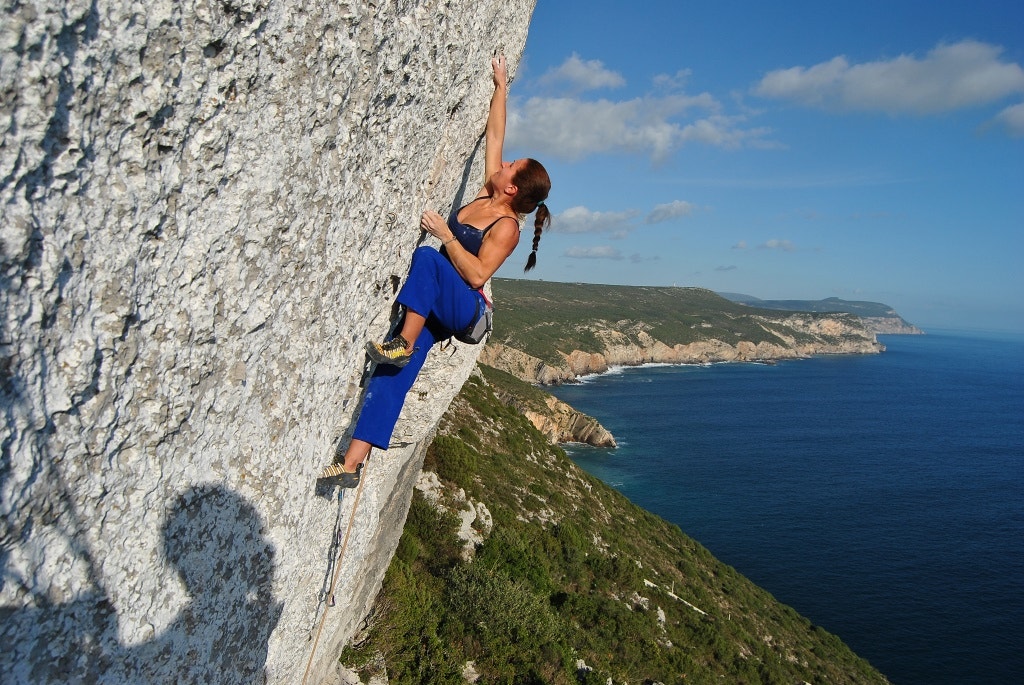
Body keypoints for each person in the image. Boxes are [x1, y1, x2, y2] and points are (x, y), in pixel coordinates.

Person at [319, 55, 551, 486]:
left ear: (513, 188)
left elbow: (479, 275)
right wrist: (502, 87)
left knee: (428, 257)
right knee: (391, 373)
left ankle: (403, 344)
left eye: (510, 167)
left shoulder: (506, 228)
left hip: (463, 306)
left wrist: (446, 234)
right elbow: (494, 136)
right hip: (436, 298)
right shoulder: (488, 192)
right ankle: (351, 464)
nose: (502, 164)